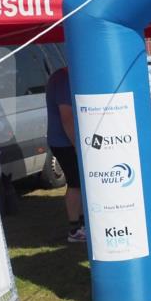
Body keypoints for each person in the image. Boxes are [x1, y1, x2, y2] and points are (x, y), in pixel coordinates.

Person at [45, 67, 85, 243]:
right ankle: (75, 229)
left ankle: (83, 225)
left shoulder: (65, 76)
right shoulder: (64, 79)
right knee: (75, 183)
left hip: (67, 140)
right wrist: (77, 144)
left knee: (81, 183)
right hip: (64, 142)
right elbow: (67, 117)